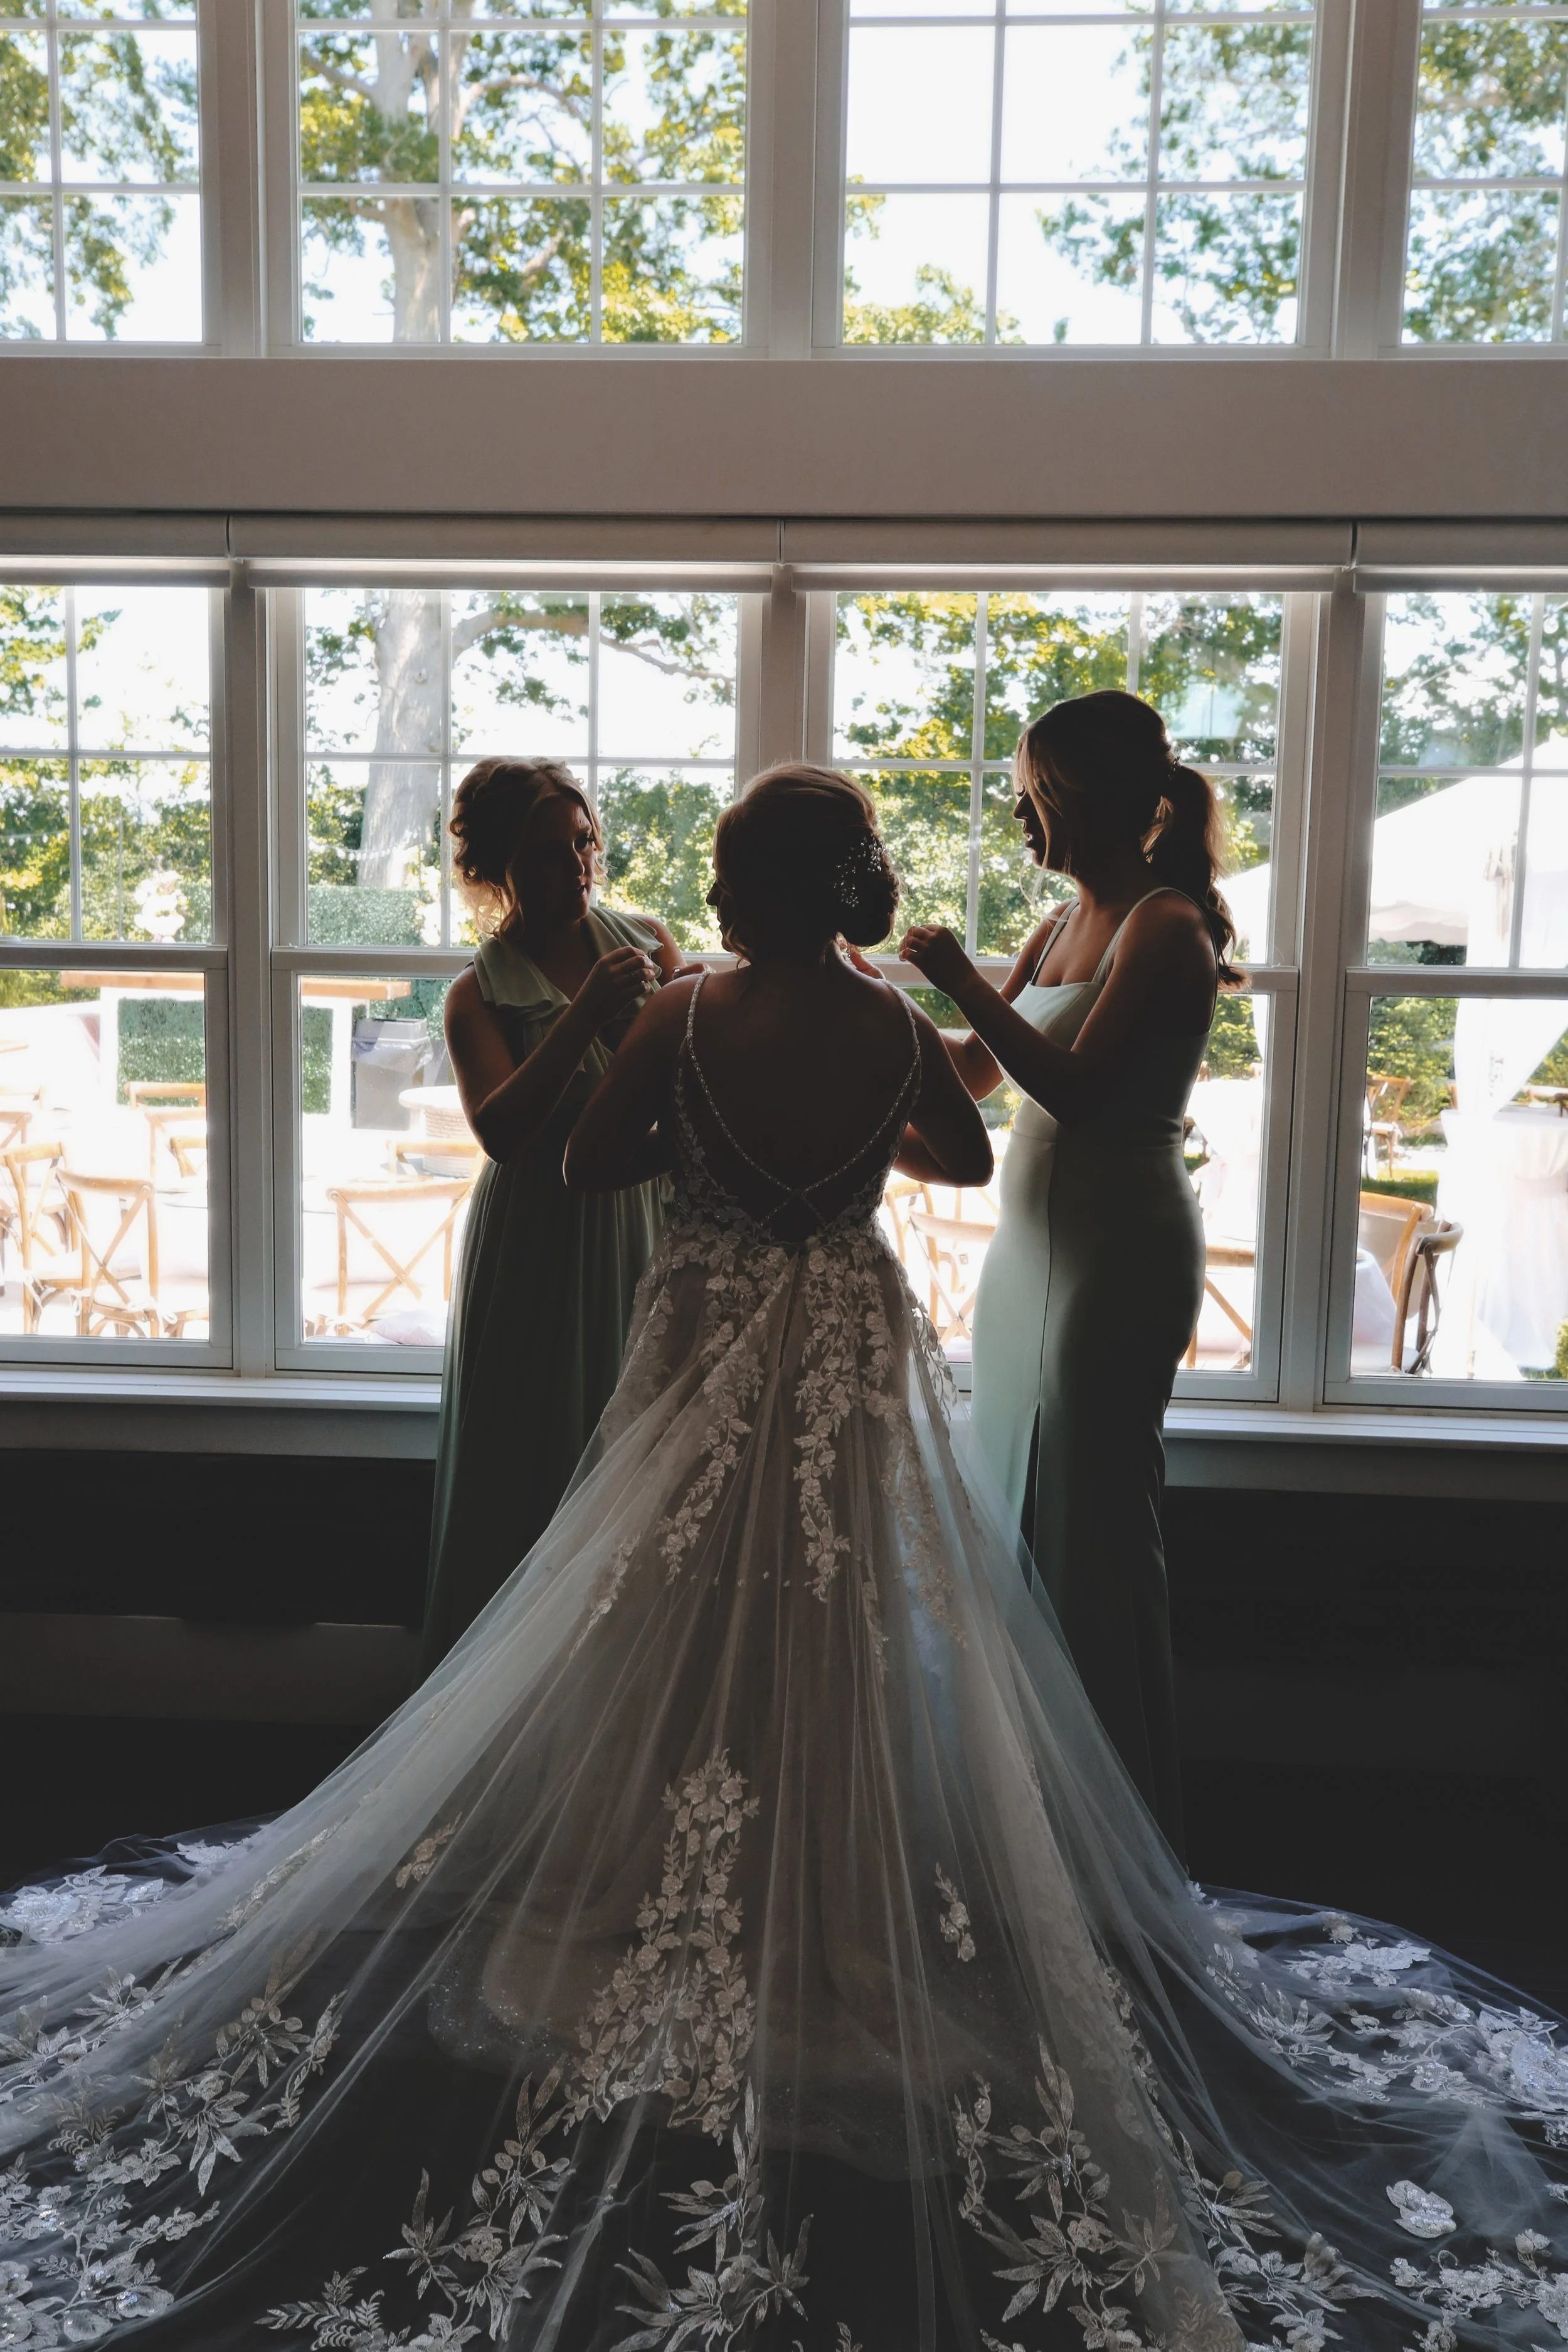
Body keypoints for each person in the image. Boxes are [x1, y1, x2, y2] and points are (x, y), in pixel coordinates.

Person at [2, 768, 1567, 2352]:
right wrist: (846, 1156)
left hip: (700, 1338)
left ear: (749, 885)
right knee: (847, 1611)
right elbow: (957, 1165)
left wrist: (708, 1142)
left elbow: (579, 1168)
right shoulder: (889, 1017)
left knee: (660, 1606)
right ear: (849, 890)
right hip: (833, 1344)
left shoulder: (682, 1014)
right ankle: (823, 1887)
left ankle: (650, 1881)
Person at [901, 690, 1231, 1855]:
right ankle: (1021, 1818)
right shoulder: (1054, 927)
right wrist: (860, 1002)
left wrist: (957, 981)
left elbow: (1079, 1089)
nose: (1021, 813)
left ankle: (1114, 1833)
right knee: (1012, 1516)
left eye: (1037, 794)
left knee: (1089, 1527)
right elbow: (980, 1073)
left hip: (1118, 1254)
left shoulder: (1166, 927)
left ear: (1090, 800)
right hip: (1025, 1257)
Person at [420, 756, 685, 1673]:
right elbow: (501, 1130)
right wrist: (583, 1019)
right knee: (530, 1456)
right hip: (536, 1235)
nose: (574, 867)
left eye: (582, 844)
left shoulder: (649, 945)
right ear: (495, 871)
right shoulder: (476, 995)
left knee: (625, 1448)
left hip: (635, 1219)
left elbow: (687, 1097)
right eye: (543, 854)